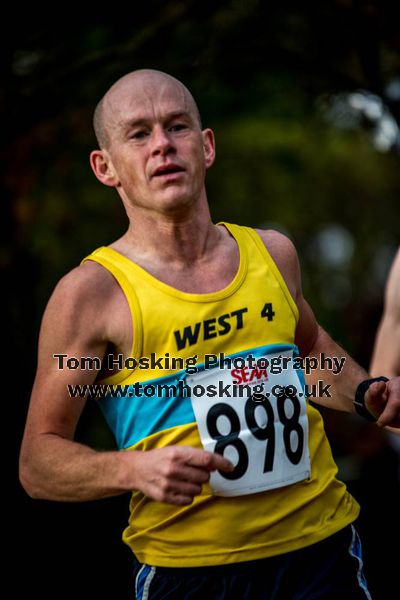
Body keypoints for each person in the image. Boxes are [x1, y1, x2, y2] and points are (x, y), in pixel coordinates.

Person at [19, 69, 400, 599]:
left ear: (206, 146)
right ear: (106, 167)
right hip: (192, 574)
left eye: (177, 127)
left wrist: (363, 391)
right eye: (139, 133)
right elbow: (39, 461)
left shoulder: (272, 253)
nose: (162, 145)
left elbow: (308, 352)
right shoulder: (92, 294)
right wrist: (133, 468)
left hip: (322, 552)